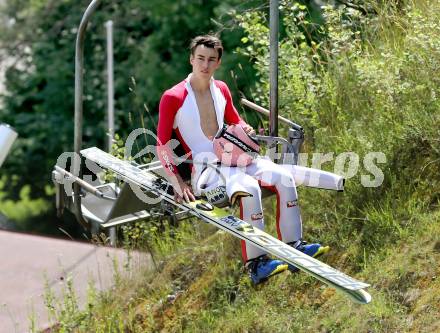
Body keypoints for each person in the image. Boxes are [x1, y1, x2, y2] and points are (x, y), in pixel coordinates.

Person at [156, 35, 330, 284]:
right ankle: (256, 264)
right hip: (205, 170)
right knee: (248, 189)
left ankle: (296, 247)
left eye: (211, 60)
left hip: (233, 159)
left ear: (218, 63)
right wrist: (177, 182)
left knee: (284, 177)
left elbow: (235, 120)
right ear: (191, 59)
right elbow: (161, 145)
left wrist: (245, 128)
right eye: (200, 59)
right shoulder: (172, 97)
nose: (205, 65)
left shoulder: (222, 89)